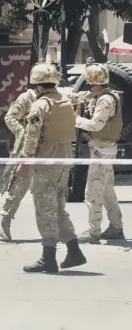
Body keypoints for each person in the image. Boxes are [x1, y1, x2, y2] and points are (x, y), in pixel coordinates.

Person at [17, 62, 86, 273]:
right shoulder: (65, 101)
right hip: (64, 163)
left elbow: (32, 137)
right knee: (59, 209)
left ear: (37, 85)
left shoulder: (40, 105)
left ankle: (48, 258)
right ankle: (74, 251)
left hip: (45, 164)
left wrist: (24, 163)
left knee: (45, 211)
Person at [68, 63, 125, 243]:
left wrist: (77, 120)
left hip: (102, 150)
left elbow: (96, 125)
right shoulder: (98, 95)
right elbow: (79, 96)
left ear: (91, 81)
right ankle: (116, 228)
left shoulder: (105, 100)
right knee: (107, 192)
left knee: (92, 192)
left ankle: (93, 232)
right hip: (102, 148)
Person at [0, 81, 39, 241]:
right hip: (27, 148)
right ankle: (5, 222)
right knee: (18, 186)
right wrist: (23, 132)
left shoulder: (53, 98)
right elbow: (10, 117)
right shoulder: (27, 98)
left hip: (47, 149)